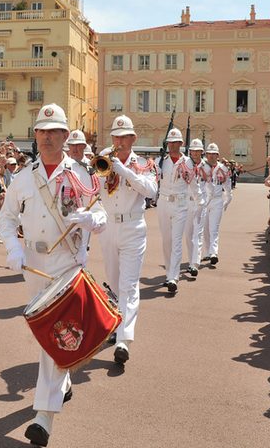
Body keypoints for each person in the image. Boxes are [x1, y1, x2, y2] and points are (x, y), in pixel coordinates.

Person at [0, 103, 107, 447]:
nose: (47, 137)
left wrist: (93, 221)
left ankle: (43, 417)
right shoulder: (23, 176)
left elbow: (100, 211)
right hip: (33, 260)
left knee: (55, 330)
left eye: (54, 132)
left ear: (65, 136)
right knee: (48, 333)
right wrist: (13, 249)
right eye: (42, 132)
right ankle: (64, 378)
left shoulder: (80, 173)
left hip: (67, 260)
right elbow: (6, 218)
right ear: (35, 136)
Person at [97, 115, 157, 365]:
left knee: (129, 285)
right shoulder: (103, 161)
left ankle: (124, 340)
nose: (120, 142)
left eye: (125, 137)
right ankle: (116, 326)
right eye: (116, 137)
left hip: (133, 226)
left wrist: (126, 172)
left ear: (133, 139)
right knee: (114, 283)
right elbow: (92, 191)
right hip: (109, 225)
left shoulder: (143, 164)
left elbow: (152, 191)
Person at [156, 128, 189, 293]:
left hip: (180, 204)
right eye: (170, 142)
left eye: (175, 142)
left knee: (176, 241)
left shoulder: (188, 162)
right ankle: (169, 272)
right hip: (163, 203)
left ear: (181, 144)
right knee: (166, 240)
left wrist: (199, 201)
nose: (172, 145)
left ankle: (173, 277)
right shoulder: (161, 161)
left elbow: (194, 183)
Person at [201, 143, 231, 264]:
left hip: (217, 200)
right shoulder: (201, 167)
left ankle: (214, 252)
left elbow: (227, 186)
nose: (212, 156)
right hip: (204, 201)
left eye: (214, 154)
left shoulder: (223, 169)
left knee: (214, 228)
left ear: (218, 155)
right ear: (206, 155)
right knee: (205, 229)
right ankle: (207, 252)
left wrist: (227, 200)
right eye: (209, 154)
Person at [182, 138, 207, 278]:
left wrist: (205, 201)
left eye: (198, 151)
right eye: (193, 151)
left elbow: (210, 185)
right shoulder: (185, 165)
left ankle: (194, 263)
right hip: (187, 202)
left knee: (198, 233)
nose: (195, 153)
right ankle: (191, 260)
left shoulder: (207, 166)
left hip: (200, 203)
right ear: (190, 151)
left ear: (202, 152)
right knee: (188, 235)